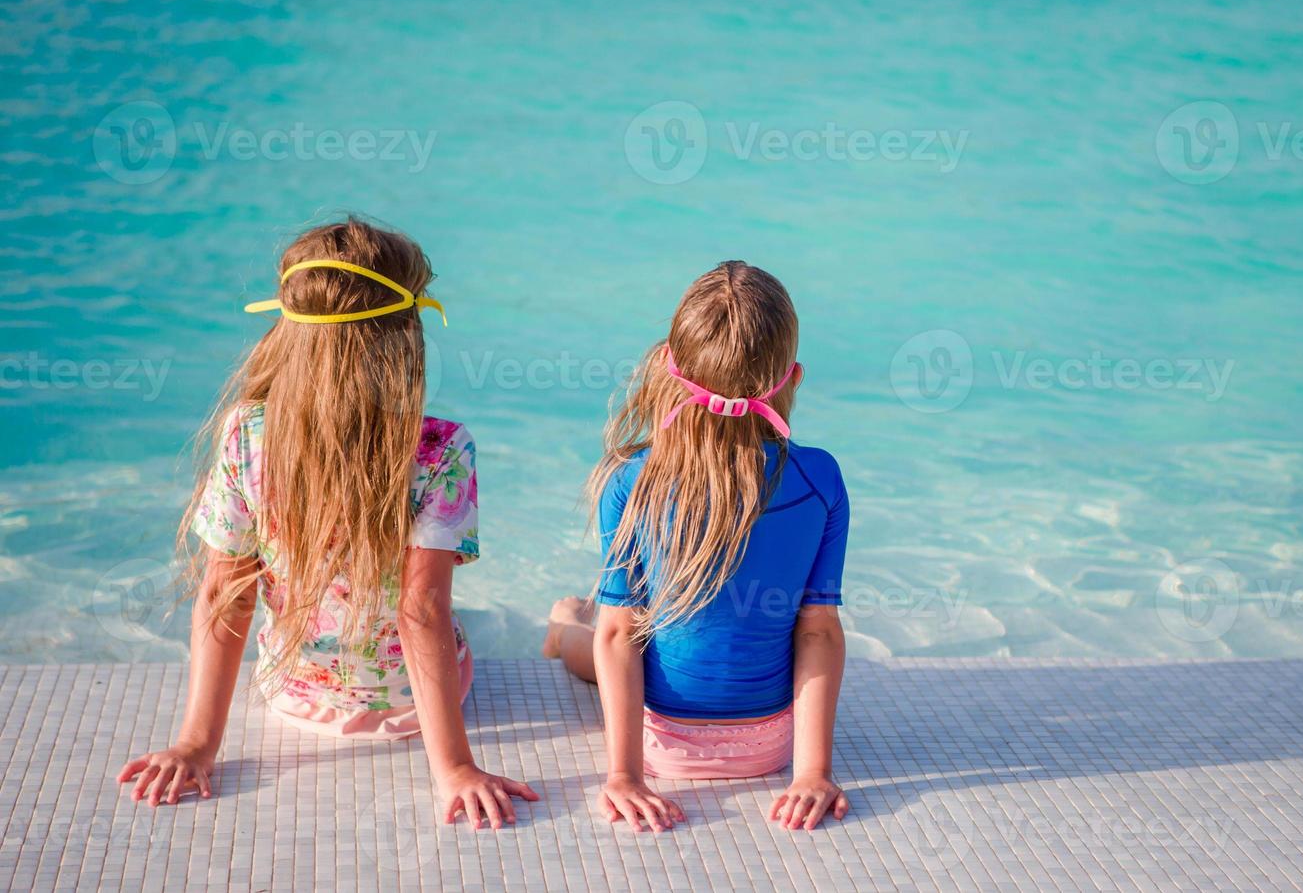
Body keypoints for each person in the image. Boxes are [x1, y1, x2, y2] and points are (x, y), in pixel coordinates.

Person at [117, 218, 537, 830]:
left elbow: (224, 595)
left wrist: (195, 746)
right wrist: (453, 768)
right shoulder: (439, 449)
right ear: (406, 335)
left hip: (293, 694)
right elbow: (421, 611)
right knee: (455, 617)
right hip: (402, 706)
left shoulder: (247, 435)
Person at [543, 261, 851, 832]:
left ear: (668, 365)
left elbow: (619, 637)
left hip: (660, 748)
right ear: (795, 378)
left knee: (597, 637)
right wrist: (811, 772)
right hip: (769, 747)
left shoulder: (632, 479)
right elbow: (818, 630)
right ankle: (571, 620)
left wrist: (625, 776)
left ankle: (563, 629)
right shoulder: (820, 479)